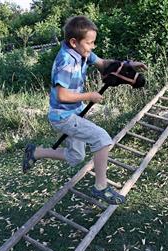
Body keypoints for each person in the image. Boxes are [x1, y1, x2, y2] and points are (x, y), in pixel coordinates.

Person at [22, 15, 147, 205]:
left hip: (72, 112)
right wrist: (89, 96)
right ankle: (100, 188)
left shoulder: (82, 53)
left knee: (75, 157)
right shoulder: (66, 62)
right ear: (74, 42)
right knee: (102, 139)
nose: (92, 47)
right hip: (63, 116)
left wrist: (127, 65)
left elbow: (104, 64)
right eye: (90, 43)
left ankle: (35, 152)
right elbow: (62, 96)